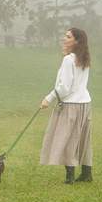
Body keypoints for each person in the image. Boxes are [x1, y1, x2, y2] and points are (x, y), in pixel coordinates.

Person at [38, 27, 93, 183]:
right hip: (85, 104)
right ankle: (87, 173)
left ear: (77, 41)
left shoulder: (69, 60)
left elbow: (64, 87)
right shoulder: (83, 58)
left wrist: (48, 99)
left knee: (67, 139)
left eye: (68, 37)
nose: (64, 38)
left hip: (71, 105)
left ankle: (70, 177)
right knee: (83, 139)